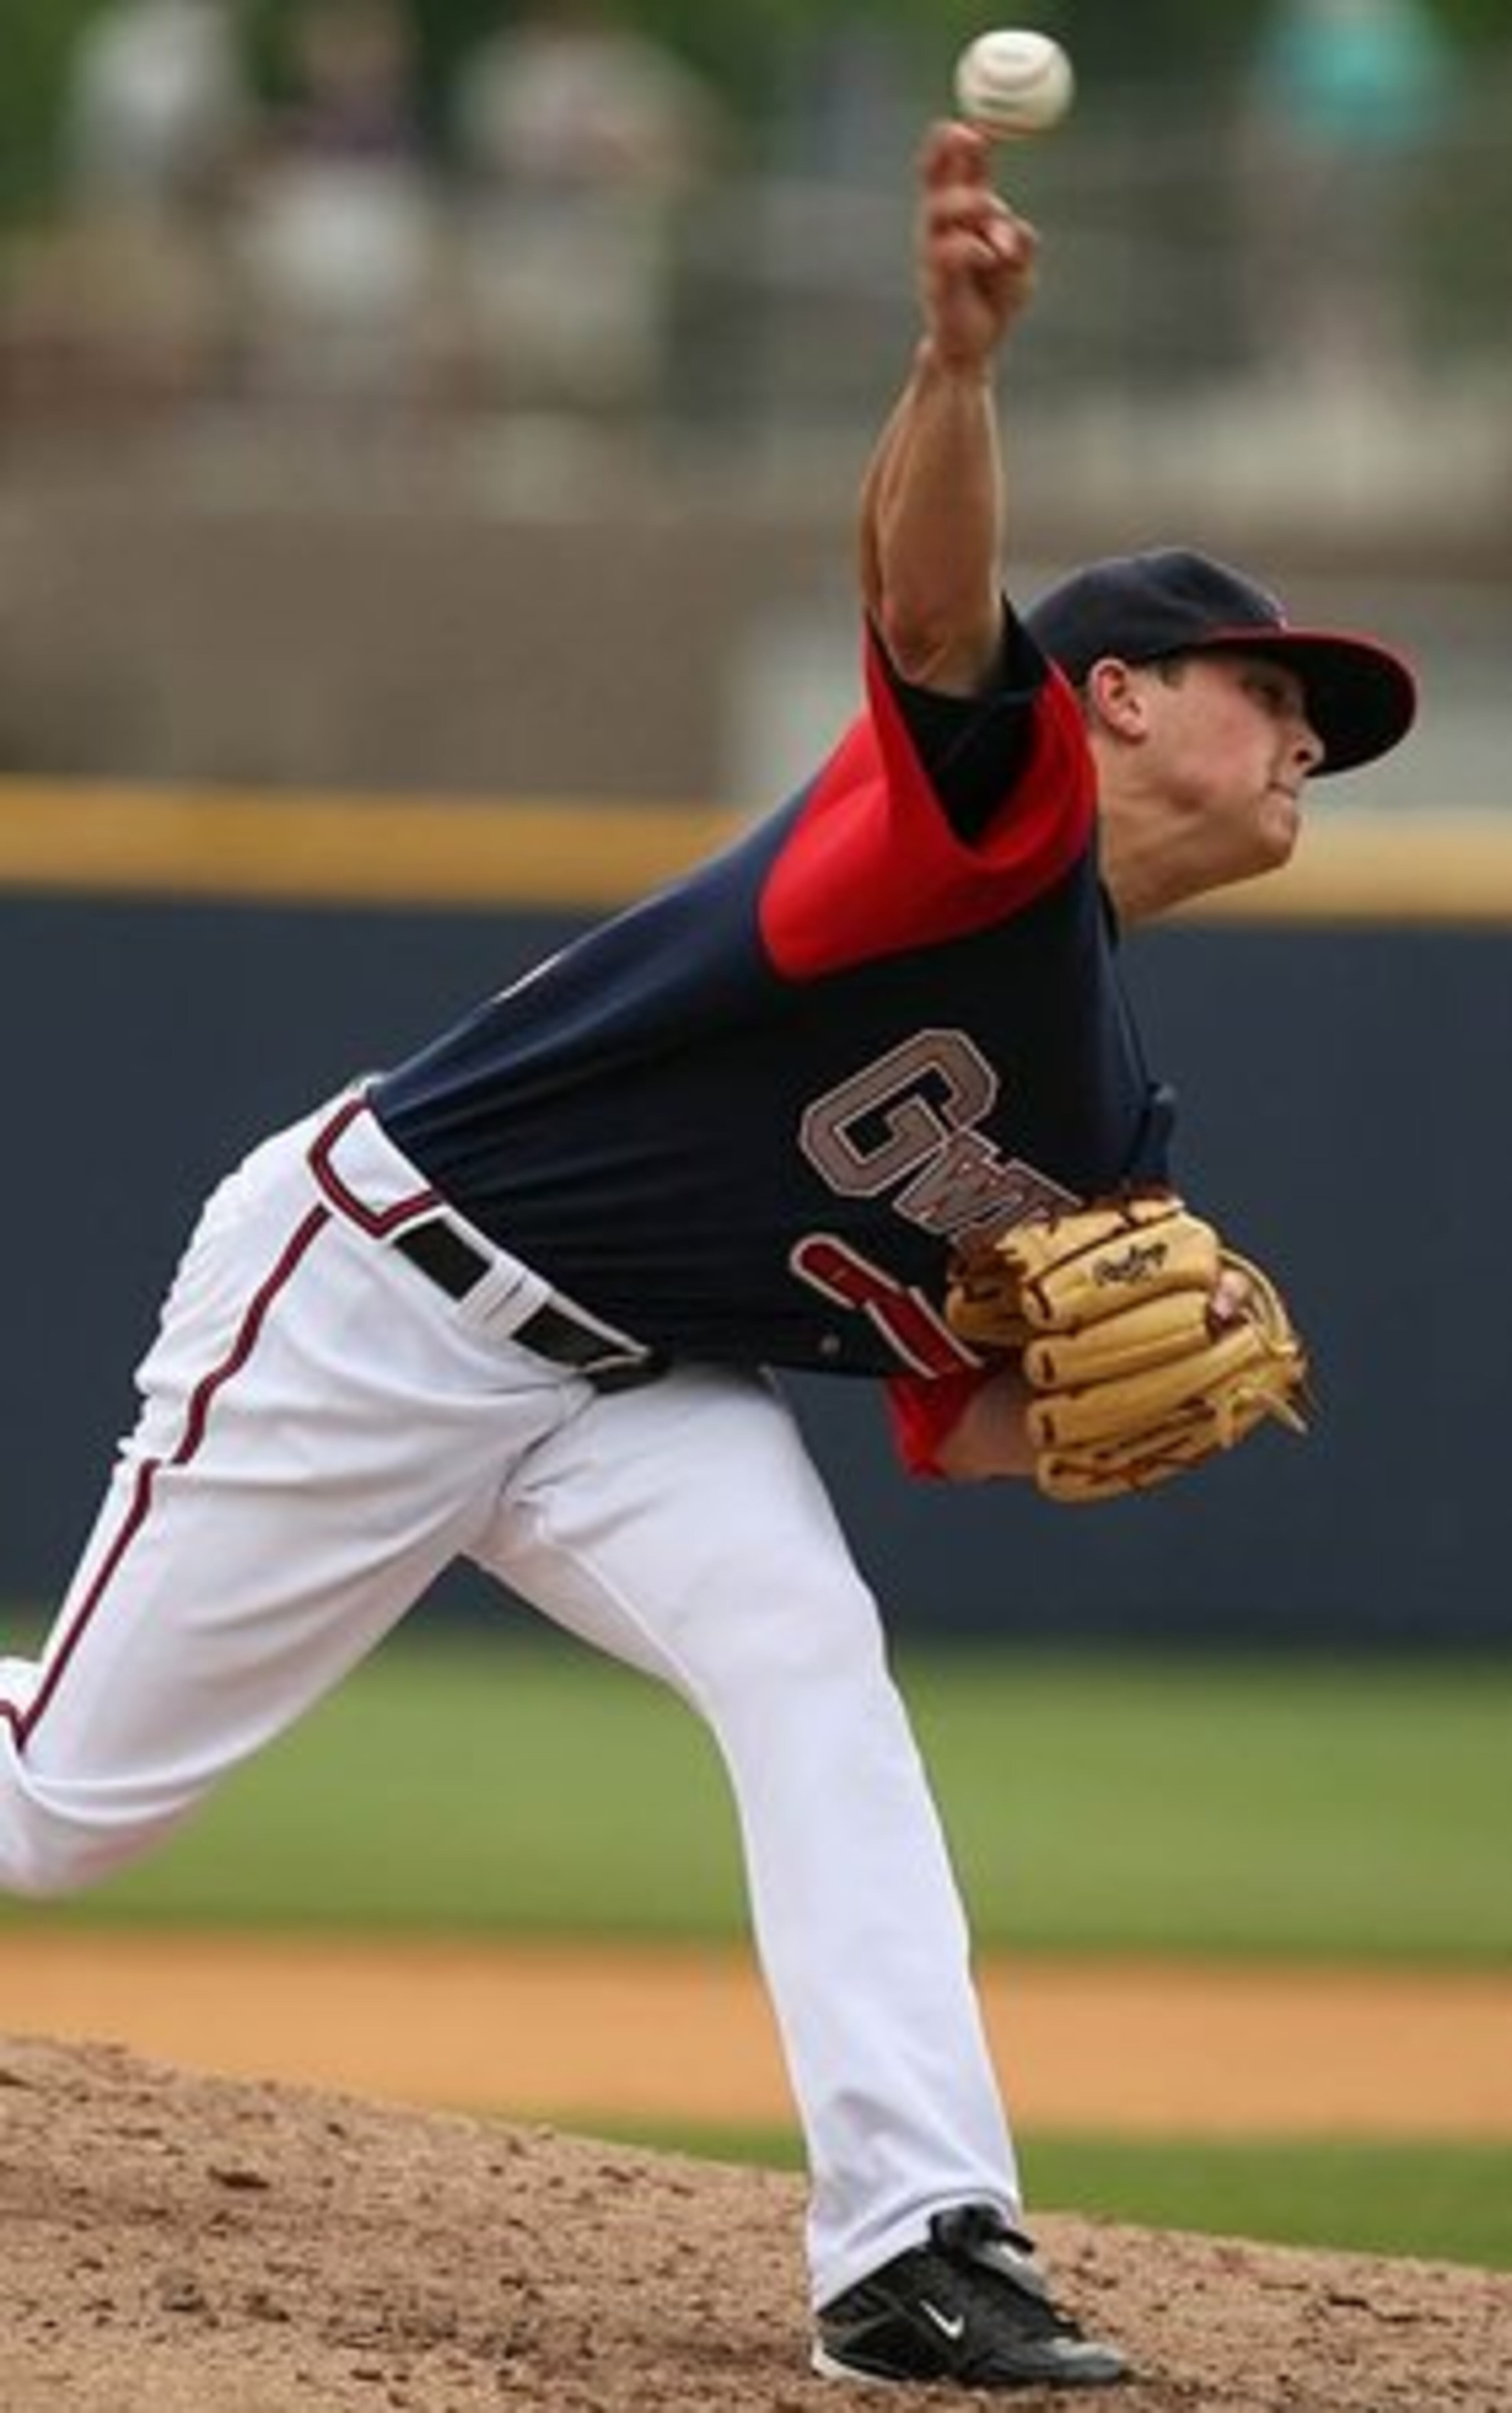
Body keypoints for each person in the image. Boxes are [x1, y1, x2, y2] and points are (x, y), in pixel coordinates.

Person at [0, 121, 1414, 2391]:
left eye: (1329, 724)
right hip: (385, 1286)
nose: (1314, 742)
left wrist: (1120, 1407)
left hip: (638, 1385)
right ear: (1123, 693)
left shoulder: (1112, 1123)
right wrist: (956, 367)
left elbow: (969, 1420)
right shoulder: (990, 819)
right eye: (1280, 691)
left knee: (815, 1676)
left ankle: (917, 2249)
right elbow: (942, 610)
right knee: (57, 1818)